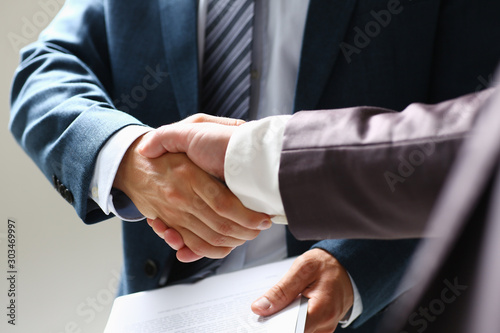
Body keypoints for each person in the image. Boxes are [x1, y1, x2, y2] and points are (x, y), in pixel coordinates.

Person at [9, 0, 500, 331]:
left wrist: (356, 269)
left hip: (365, 310)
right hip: (162, 312)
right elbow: (42, 71)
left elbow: (470, 144)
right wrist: (125, 155)